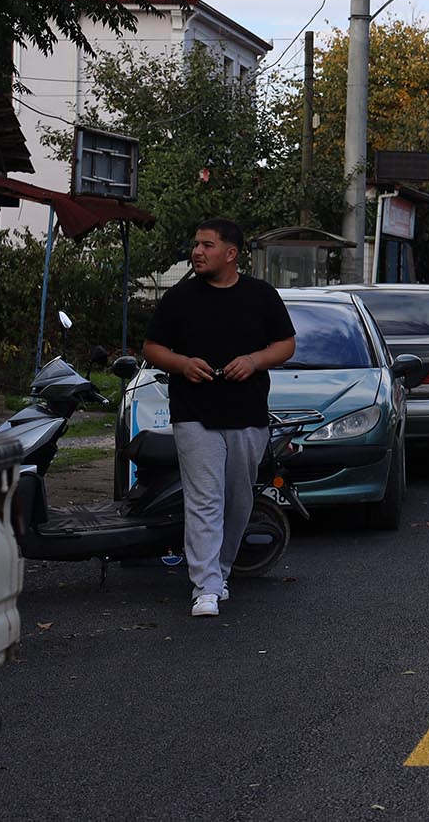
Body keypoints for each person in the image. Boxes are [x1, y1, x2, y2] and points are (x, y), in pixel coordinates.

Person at [143, 218, 296, 618]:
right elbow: (152, 347)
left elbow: (286, 345)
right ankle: (206, 585)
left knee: (238, 497)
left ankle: (221, 571)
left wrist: (253, 360)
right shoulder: (179, 298)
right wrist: (181, 364)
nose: (197, 252)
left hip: (247, 413)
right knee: (204, 499)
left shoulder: (261, 296)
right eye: (196, 244)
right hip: (194, 413)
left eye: (207, 245)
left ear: (231, 253)